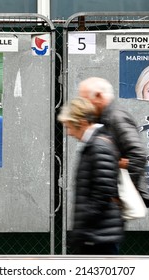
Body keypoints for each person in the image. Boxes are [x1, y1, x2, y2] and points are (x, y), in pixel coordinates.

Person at [58, 97, 124, 255]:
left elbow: (102, 194)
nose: (68, 132)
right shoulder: (95, 144)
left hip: (98, 237)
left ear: (80, 122)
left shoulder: (98, 146)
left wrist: (83, 229)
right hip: (97, 234)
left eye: (69, 127)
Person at [78, 77, 149, 207]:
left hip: (116, 199)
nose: (83, 105)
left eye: (85, 100)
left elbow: (138, 155)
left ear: (98, 96)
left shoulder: (116, 117)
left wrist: (117, 196)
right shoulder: (103, 118)